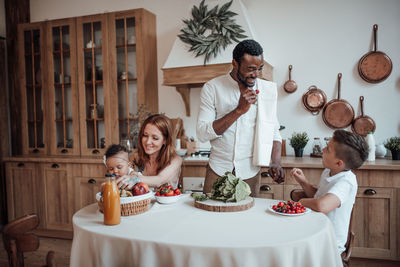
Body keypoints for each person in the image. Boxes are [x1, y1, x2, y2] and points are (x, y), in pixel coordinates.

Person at [196, 39, 284, 197]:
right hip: (218, 169)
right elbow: (203, 133)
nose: (255, 75)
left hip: (250, 171)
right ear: (235, 63)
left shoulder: (266, 91)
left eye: (259, 68)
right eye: (250, 69)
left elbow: (274, 131)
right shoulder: (213, 88)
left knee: (247, 219)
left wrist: (276, 162)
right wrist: (239, 110)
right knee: (211, 218)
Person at [290, 129, 368, 255]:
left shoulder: (346, 182)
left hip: (329, 243)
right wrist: (304, 182)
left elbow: (322, 205)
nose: (323, 150)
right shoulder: (329, 171)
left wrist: (300, 202)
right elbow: (318, 196)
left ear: (338, 163)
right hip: (315, 232)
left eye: (328, 149)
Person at [117, 114, 183, 189]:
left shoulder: (176, 160)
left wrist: (136, 178)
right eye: (145, 135)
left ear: (165, 140)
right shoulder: (135, 158)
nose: (148, 142)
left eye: (155, 138)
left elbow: (160, 180)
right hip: (141, 201)